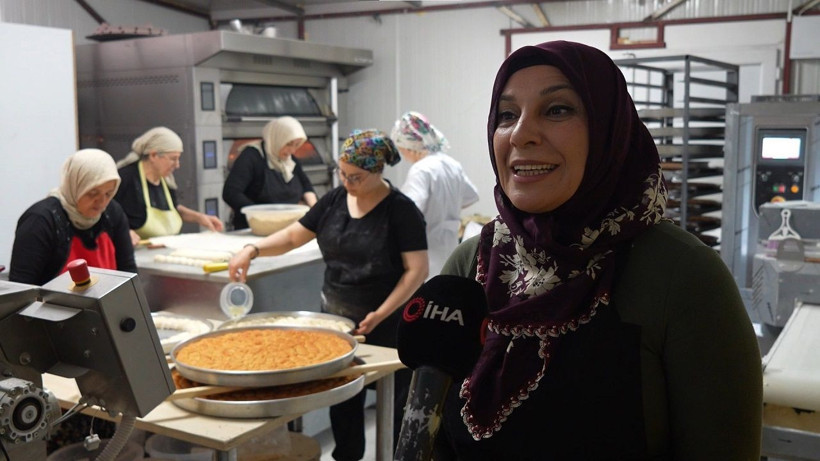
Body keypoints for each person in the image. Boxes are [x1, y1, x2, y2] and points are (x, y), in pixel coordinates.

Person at [433, 41, 763, 460]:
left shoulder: (683, 277)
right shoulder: (469, 266)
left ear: (609, 129)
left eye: (557, 110)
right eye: (506, 115)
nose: (520, 134)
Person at [228, 129, 428, 461]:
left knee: (395, 406)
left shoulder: (401, 211)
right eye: (343, 173)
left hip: (389, 325)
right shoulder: (335, 200)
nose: (348, 182)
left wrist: (381, 312)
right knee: (344, 404)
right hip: (338, 324)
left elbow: (416, 270)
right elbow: (294, 237)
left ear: (378, 171)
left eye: (356, 177)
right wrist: (252, 249)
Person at [10, 149, 136, 285]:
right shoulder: (40, 221)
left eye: (108, 193)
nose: (101, 202)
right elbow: (22, 289)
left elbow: (128, 273)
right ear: (75, 186)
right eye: (93, 193)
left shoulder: (113, 214)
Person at [391, 111, 479, 278]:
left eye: (402, 149)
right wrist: (445, 208)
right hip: (451, 250)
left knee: (426, 298)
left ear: (410, 145)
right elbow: (471, 196)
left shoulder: (421, 169)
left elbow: (409, 212)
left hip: (426, 253)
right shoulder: (451, 164)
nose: (402, 153)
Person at [115, 127, 224, 245]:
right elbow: (105, 214)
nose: (177, 165)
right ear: (153, 155)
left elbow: (173, 208)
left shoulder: (166, 180)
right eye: (173, 159)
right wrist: (124, 232)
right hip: (134, 251)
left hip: (163, 248)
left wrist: (200, 218)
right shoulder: (126, 178)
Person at [222, 116, 318, 230]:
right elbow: (231, 193)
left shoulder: (289, 160)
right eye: (288, 144)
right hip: (255, 228)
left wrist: (315, 211)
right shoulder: (251, 157)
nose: (292, 150)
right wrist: (260, 214)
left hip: (288, 227)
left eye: (296, 145)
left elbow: (306, 186)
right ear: (277, 139)